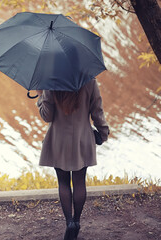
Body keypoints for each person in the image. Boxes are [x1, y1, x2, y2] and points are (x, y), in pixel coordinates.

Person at [36, 79, 109, 240]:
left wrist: (40, 95)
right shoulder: (89, 81)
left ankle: (69, 222)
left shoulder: (51, 81)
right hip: (82, 140)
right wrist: (103, 134)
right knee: (79, 181)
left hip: (58, 140)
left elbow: (47, 116)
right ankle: (77, 221)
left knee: (63, 182)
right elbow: (98, 111)